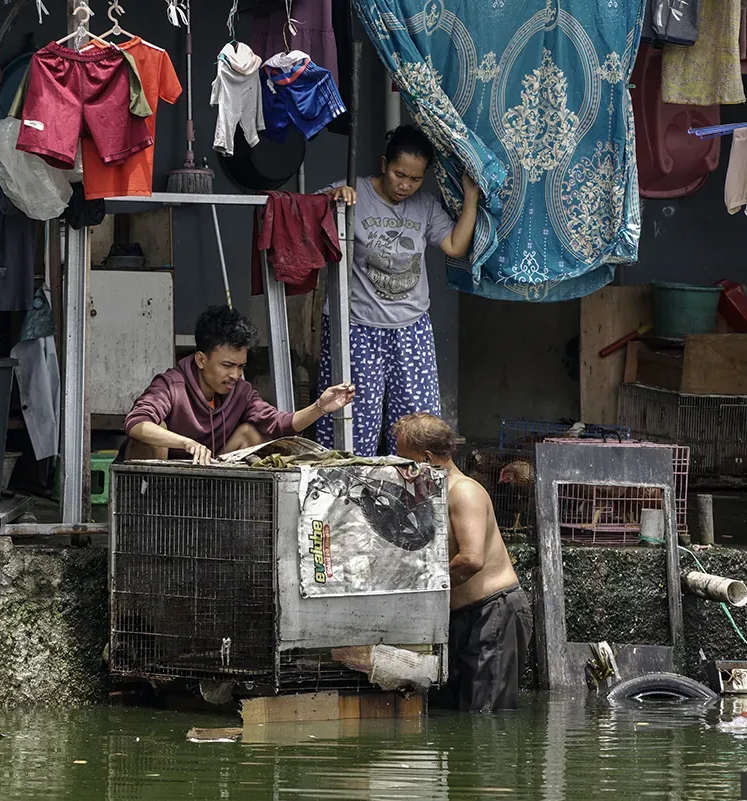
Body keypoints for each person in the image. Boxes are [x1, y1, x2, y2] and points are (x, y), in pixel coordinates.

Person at [315, 124, 480, 457]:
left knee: (419, 427)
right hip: (357, 327)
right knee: (353, 425)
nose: (405, 185)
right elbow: (308, 215)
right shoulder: (354, 193)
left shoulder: (426, 206)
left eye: (416, 178)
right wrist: (332, 200)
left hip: (411, 329)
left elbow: (454, 245)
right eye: (399, 174)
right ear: (383, 164)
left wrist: (471, 198)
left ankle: (412, 500)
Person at [393, 412, 533, 713]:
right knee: (451, 712)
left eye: (406, 460)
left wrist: (424, 591)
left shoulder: (464, 491)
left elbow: (471, 559)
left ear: (428, 457)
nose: (401, 468)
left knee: (484, 714)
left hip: (493, 612)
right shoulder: (431, 493)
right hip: (460, 617)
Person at [125, 306, 355, 464]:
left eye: (241, 366)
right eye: (227, 365)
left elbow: (279, 424)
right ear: (201, 360)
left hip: (203, 478)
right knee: (154, 431)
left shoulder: (241, 393)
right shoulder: (171, 385)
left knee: (252, 433)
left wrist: (320, 407)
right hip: (155, 488)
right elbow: (136, 423)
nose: (235, 375)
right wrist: (186, 443)